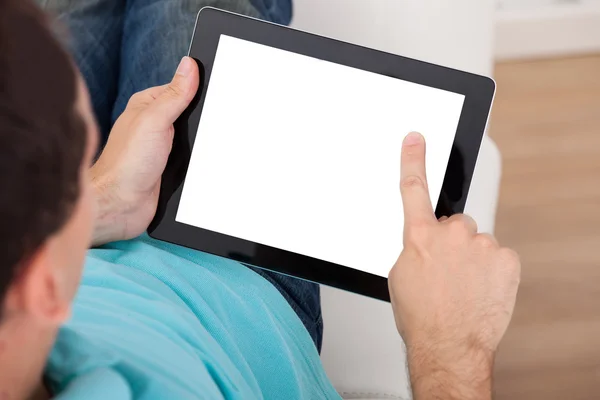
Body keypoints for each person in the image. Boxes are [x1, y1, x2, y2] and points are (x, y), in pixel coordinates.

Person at [0, 1, 521, 400]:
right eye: (84, 155)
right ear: (45, 285)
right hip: (229, 272)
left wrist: (101, 197)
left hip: (101, 225)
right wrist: (452, 352)